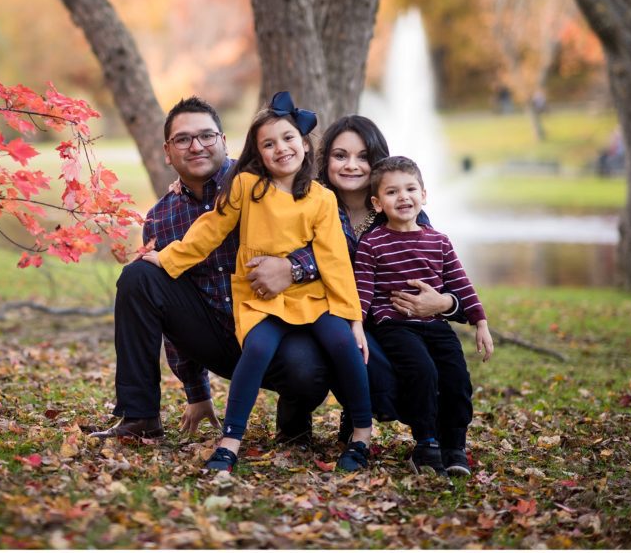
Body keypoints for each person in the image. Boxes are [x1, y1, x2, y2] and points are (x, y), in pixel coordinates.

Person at [91, 96, 344, 445]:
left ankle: (293, 423)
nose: (196, 146)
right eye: (183, 139)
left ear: (224, 142)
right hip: (216, 334)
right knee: (139, 276)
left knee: (309, 371)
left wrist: (293, 268)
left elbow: (341, 241)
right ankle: (140, 417)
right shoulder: (161, 218)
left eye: (206, 136)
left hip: (275, 325)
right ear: (168, 151)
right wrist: (197, 393)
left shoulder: (265, 181)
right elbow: (169, 312)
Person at [142, 91, 371, 472]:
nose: (280, 149)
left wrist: (354, 318)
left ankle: (361, 435)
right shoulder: (247, 185)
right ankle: (230, 441)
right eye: (269, 143)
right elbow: (209, 230)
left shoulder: (321, 198)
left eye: (288, 139)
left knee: (342, 343)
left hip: (311, 295)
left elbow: (333, 260)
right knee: (257, 349)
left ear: (304, 143)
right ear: (258, 152)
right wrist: (167, 257)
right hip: (259, 297)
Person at [317, 116, 466, 435]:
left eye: (363, 157)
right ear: (326, 160)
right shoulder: (316, 207)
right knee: (342, 343)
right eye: (340, 156)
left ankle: (431, 436)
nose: (351, 165)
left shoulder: (406, 214)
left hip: (396, 326)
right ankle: (345, 415)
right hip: (333, 319)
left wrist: (442, 303)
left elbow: (457, 289)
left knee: (421, 362)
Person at [353, 155, 494, 477]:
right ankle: (426, 443)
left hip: (436, 326)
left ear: (424, 195)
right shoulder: (372, 244)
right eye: (392, 192)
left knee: (457, 378)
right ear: (377, 203)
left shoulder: (439, 241)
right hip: (396, 327)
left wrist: (481, 323)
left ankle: (455, 446)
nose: (403, 197)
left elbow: (461, 283)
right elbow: (363, 290)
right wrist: (357, 326)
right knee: (423, 372)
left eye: (410, 188)